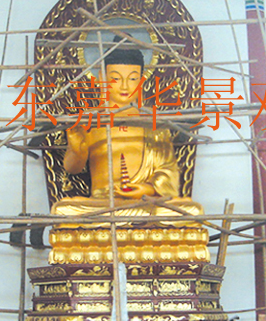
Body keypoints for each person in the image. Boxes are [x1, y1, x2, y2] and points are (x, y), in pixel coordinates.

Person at [51, 39, 203, 225]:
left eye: (132, 79)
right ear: (102, 78)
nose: (124, 86)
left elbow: (168, 170)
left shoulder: (153, 122)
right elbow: (72, 168)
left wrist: (147, 189)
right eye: (116, 78)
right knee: (64, 210)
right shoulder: (89, 120)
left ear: (141, 80)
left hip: (146, 204)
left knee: (192, 210)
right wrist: (78, 150)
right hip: (102, 205)